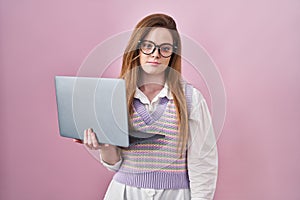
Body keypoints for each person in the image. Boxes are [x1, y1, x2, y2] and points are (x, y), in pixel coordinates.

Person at [75, 13, 218, 200]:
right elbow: (115, 164)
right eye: (148, 46)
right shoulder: (116, 95)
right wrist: (105, 146)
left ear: (173, 53)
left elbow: (203, 164)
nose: (155, 54)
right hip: (124, 193)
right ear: (137, 49)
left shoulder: (191, 98)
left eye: (165, 48)